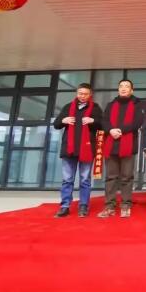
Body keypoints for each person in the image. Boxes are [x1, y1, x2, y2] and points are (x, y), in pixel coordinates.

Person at [53, 83, 103, 218]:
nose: (82, 96)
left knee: (85, 179)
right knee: (67, 179)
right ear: (77, 93)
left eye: (85, 94)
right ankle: (64, 206)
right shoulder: (68, 107)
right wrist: (63, 120)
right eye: (80, 93)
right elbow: (56, 124)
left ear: (90, 94)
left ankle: (83, 206)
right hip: (69, 149)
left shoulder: (95, 108)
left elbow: (103, 125)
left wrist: (93, 120)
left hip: (87, 149)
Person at [97, 79, 144, 218]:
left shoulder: (137, 105)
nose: (123, 88)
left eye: (127, 86)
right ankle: (109, 206)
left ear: (132, 90)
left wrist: (120, 130)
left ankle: (125, 205)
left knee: (126, 177)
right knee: (111, 177)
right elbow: (104, 121)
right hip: (111, 144)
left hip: (128, 146)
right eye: (121, 86)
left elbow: (137, 122)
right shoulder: (111, 105)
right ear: (118, 89)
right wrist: (111, 130)